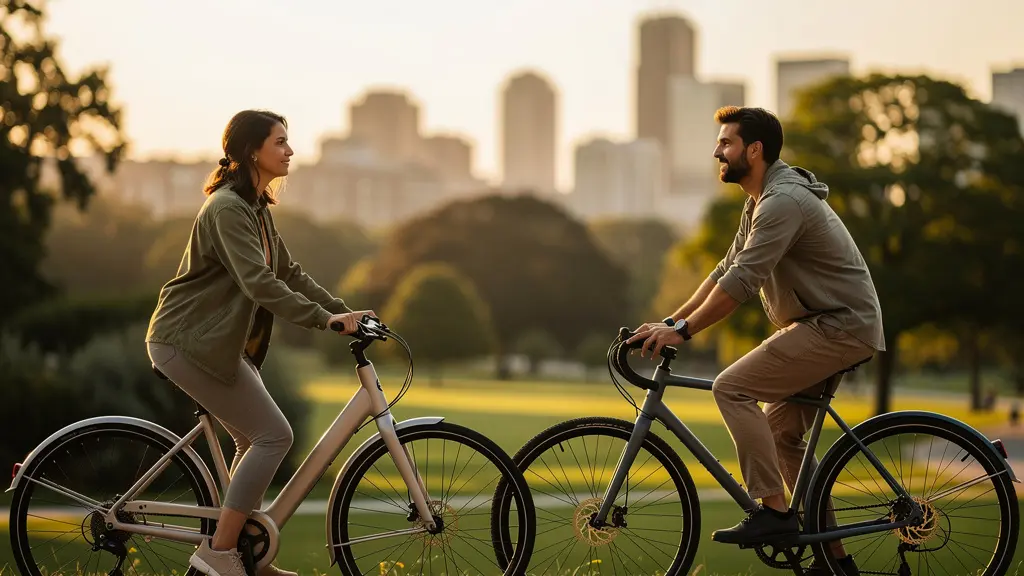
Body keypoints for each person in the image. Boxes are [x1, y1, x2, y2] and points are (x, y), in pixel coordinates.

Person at [628, 106, 884, 576]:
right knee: (780, 434)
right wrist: (667, 321)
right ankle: (836, 566)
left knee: (731, 387)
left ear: (754, 150)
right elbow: (723, 270)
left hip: (839, 326)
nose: (716, 152)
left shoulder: (782, 201)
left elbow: (744, 282)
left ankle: (775, 515)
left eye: (725, 143)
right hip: (823, 324)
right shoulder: (760, 199)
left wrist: (683, 333)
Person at [145, 109, 373, 576]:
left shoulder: (254, 208)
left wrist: (341, 311)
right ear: (253, 150)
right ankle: (219, 554)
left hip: (214, 344)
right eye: (281, 142)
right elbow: (260, 284)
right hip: (185, 341)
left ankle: (244, 553)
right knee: (275, 435)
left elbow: (289, 274)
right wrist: (324, 322)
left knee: (254, 438)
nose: (290, 151)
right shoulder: (228, 208)